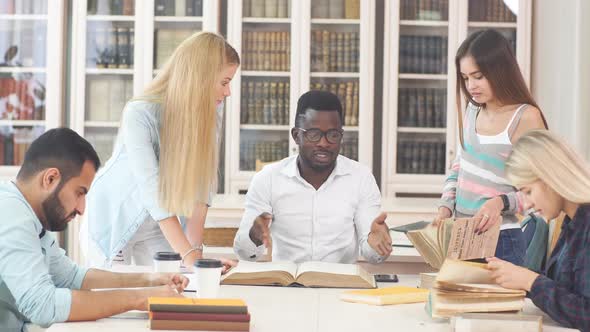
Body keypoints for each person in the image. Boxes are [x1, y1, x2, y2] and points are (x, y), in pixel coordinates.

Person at [0, 128, 187, 331]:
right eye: (79, 193)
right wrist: (140, 298)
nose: (81, 209)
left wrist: (148, 280)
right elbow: (43, 306)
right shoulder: (11, 215)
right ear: (50, 179)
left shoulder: (29, 216)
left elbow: (70, 277)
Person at [82, 32, 239, 268]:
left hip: (160, 226)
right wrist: (189, 258)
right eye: (224, 82)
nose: (228, 93)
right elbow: (151, 189)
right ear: (200, 77)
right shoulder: (139, 112)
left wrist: (195, 256)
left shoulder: (211, 110)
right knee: (119, 295)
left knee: (176, 288)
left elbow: (202, 186)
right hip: (116, 219)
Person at [233, 90, 392, 264]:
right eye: (314, 134)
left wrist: (377, 244)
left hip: (340, 285)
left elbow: (373, 255)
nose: (324, 143)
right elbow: (245, 253)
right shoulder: (267, 179)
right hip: (287, 286)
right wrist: (254, 236)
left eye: (333, 135)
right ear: (296, 136)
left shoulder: (361, 178)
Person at [435, 29, 548, 266]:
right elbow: (460, 166)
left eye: (478, 76)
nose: (471, 86)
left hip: (502, 241)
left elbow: (541, 191)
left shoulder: (526, 117)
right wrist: (445, 206)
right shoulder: (473, 110)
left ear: (499, 71)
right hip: (463, 236)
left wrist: (501, 202)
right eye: (465, 78)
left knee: (498, 304)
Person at [486, 130, 590, 331]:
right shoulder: (572, 222)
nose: (526, 204)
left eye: (528, 191)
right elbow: (565, 288)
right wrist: (518, 276)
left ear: (551, 178)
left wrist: (530, 281)